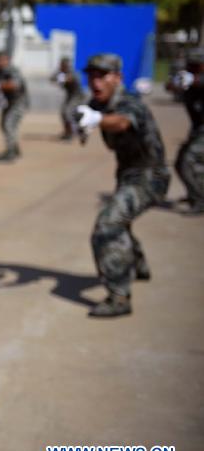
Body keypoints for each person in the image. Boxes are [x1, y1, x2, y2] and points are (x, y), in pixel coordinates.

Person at [75, 53, 170, 317]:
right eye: (91, 76)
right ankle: (139, 264)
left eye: (103, 76)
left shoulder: (130, 103)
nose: (96, 82)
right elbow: (84, 119)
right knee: (121, 221)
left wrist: (95, 120)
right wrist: (81, 124)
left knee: (107, 227)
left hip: (151, 176)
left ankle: (119, 295)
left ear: (118, 78)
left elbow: (122, 122)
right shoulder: (96, 103)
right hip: (128, 175)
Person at [174, 47, 204, 214]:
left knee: (189, 161)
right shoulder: (188, 79)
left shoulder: (196, 80)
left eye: (197, 65)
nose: (192, 68)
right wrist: (178, 82)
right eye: (190, 65)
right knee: (180, 163)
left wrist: (194, 80)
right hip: (198, 129)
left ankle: (200, 201)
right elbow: (170, 86)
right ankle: (195, 193)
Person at [0, 51, 28, 161]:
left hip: (19, 102)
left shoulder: (12, 70)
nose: (0, 62)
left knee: (8, 124)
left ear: (7, 60)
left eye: (2, 60)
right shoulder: (1, 71)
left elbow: (14, 85)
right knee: (3, 124)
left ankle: (11, 153)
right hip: (9, 103)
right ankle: (14, 149)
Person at [51, 57, 83, 141]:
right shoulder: (61, 72)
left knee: (67, 112)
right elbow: (51, 78)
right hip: (70, 95)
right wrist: (59, 75)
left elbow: (69, 79)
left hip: (78, 96)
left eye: (64, 64)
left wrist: (61, 78)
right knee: (63, 113)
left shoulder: (72, 72)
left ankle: (71, 133)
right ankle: (67, 132)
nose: (62, 66)